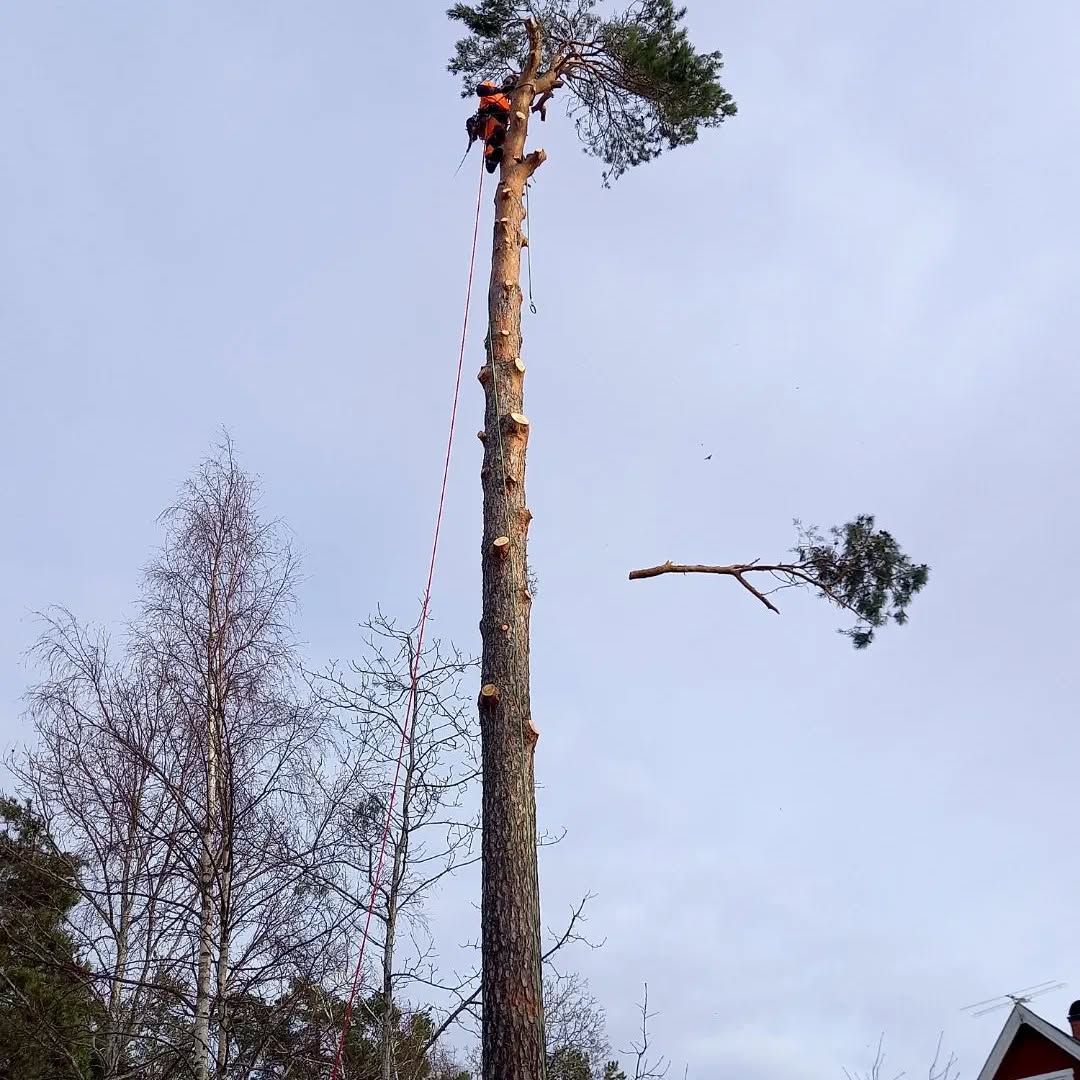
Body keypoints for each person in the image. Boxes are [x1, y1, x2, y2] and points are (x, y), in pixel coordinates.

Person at [467, 80, 512, 173]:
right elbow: (480, 90)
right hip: (490, 116)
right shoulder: (491, 87)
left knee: (498, 135)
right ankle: (490, 158)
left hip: (501, 122)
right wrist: (500, 89)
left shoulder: (509, 100)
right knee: (494, 134)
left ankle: (492, 159)